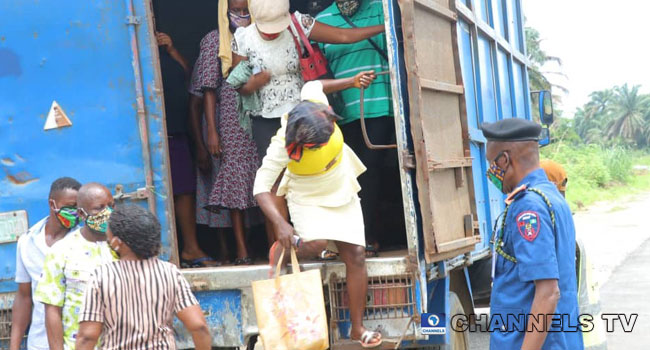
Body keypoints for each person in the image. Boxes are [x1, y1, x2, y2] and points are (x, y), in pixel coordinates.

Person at [232, 0, 383, 246]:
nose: (273, 31)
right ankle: (283, 244)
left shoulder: (297, 23)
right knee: (275, 182)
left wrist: (383, 26)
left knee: (321, 171)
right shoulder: (243, 38)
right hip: (267, 119)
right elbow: (240, 85)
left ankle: (328, 240)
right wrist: (256, 82)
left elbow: (343, 35)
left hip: (306, 115)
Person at [255, 81, 382, 348]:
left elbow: (314, 83)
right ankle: (281, 249)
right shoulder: (282, 144)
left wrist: (352, 82)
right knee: (316, 244)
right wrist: (281, 223)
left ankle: (357, 329)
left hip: (340, 185)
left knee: (357, 254)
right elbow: (260, 188)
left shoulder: (315, 103)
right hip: (307, 195)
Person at [481, 118, 583, 350]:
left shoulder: (528, 208)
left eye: (491, 163)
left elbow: (548, 293)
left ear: (504, 159)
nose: (491, 172)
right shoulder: (552, 196)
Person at [316, 0, 403, 255]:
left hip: (377, 105)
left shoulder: (381, 8)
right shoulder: (322, 19)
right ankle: (353, 237)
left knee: (370, 170)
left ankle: (364, 236)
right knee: (346, 177)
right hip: (341, 114)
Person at [74, 205, 211, 350]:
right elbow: (199, 326)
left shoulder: (101, 277)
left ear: (119, 242)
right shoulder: (170, 273)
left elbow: (87, 337)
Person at [188, 0, 260, 265]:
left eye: (245, 10)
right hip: (230, 119)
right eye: (236, 10)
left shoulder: (260, 34)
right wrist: (212, 133)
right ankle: (242, 250)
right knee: (236, 186)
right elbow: (208, 90)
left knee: (264, 181)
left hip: (260, 115)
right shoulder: (214, 40)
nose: (241, 15)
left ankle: (271, 244)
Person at [157, 31, 219, 268]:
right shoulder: (135, 54)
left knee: (185, 191)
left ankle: (190, 249)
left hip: (176, 130)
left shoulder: (167, 55)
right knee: (159, 193)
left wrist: (171, 48)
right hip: (153, 133)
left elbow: (188, 77)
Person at [34, 183, 118, 350]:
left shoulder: (123, 247)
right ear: (81, 213)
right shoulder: (61, 251)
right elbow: (52, 310)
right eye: (99, 208)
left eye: (111, 206)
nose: (107, 213)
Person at [11, 177, 82, 350]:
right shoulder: (28, 242)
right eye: (70, 207)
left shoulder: (85, 242)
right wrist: (14, 345)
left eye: (79, 208)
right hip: (40, 343)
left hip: (79, 342)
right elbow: (24, 297)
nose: (76, 213)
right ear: (53, 204)